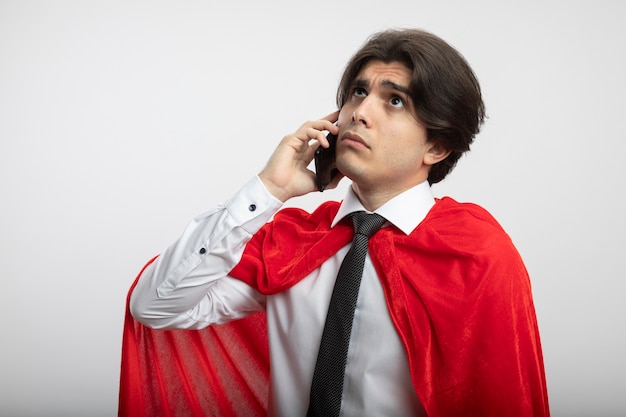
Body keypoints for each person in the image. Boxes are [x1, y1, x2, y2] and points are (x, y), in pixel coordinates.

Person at [121, 28, 550, 417]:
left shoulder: (474, 253)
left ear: (437, 147)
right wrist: (269, 189)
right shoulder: (294, 242)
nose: (360, 112)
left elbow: (502, 396)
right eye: (358, 93)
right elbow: (155, 306)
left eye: (394, 100)